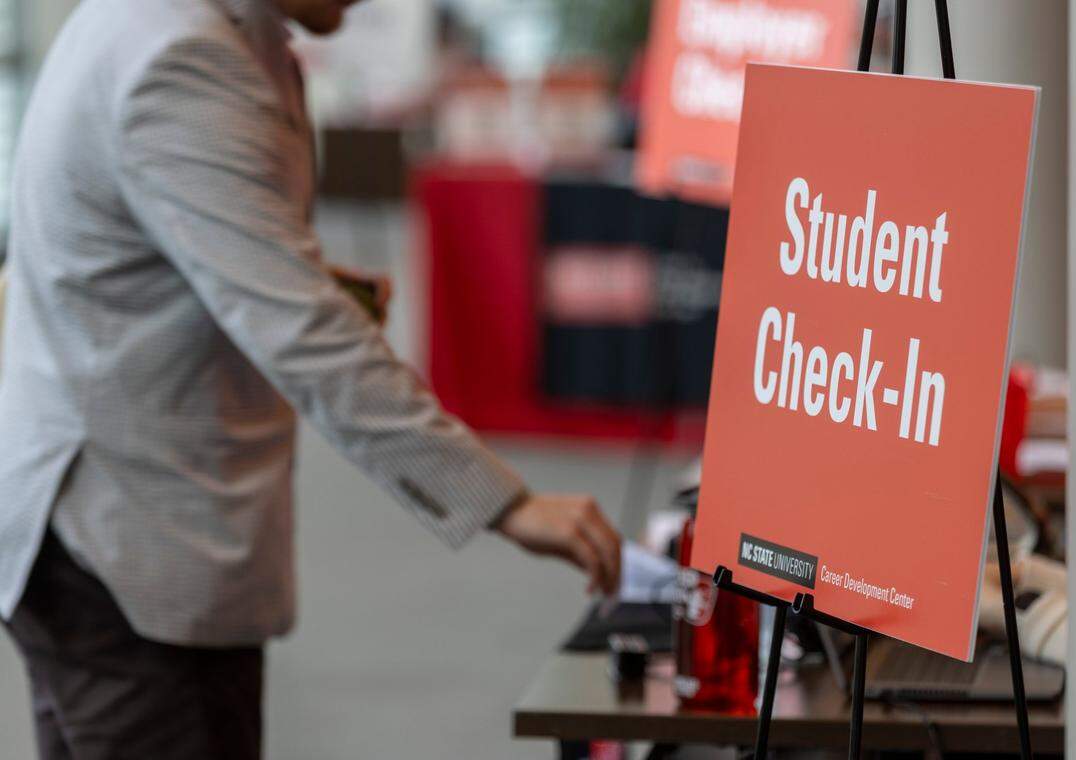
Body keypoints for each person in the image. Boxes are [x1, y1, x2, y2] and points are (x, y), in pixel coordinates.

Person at [0, 0, 622, 757]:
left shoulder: (175, 22)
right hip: (126, 547)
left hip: (93, 526)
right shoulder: (182, 57)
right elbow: (307, 338)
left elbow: (159, 236)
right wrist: (506, 502)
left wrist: (301, 275)